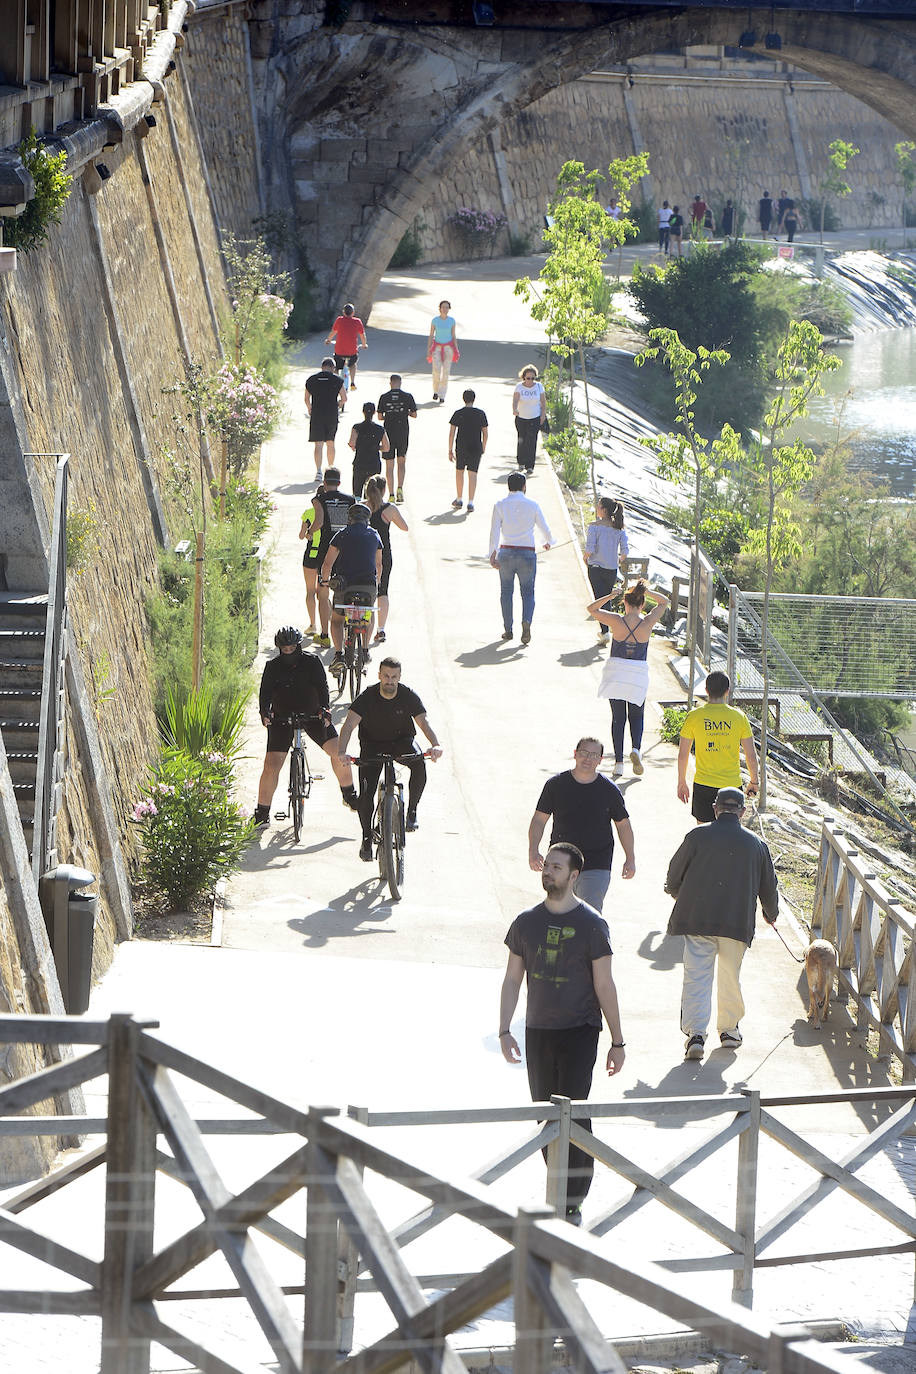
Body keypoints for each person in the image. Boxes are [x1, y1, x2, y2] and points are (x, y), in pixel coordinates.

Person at [499, 842, 626, 1224]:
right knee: (545, 1114)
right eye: (546, 865)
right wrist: (504, 1029)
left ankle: (571, 1198)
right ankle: (559, 1186)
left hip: (580, 1030)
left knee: (572, 1111)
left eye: (557, 867)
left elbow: (604, 984)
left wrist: (618, 1041)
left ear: (574, 876)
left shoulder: (592, 925)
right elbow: (511, 979)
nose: (548, 871)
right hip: (538, 1028)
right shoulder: (525, 922)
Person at [665, 787, 779, 1060]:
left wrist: (677, 892)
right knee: (730, 975)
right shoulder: (756, 844)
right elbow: (769, 886)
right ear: (742, 811)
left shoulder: (696, 836)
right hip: (735, 921)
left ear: (715, 808)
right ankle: (729, 1030)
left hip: (698, 919)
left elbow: (673, 875)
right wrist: (770, 913)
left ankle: (696, 1035)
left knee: (697, 976)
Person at [337, 657, 443, 860]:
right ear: (379, 676)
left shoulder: (407, 695)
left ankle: (411, 811)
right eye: (386, 676)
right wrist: (342, 751)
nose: (390, 680)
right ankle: (367, 837)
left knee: (419, 764)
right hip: (372, 745)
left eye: (394, 677)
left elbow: (423, 721)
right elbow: (349, 724)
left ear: (399, 677)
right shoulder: (368, 696)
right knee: (366, 793)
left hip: (401, 742)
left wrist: (435, 744)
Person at [253, 625, 357, 826]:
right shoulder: (272, 666)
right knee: (271, 765)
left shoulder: (312, 662)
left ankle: (349, 794)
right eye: (285, 650)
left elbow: (322, 687)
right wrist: (265, 712)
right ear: (279, 649)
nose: (289, 653)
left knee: (338, 752)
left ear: (299, 646)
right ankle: (262, 813)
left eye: (292, 648)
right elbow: (264, 693)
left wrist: (325, 709)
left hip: (312, 714)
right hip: (282, 718)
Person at [528, 738, 635, 914]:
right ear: (575, 754)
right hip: (560, 862)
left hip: (597, 863)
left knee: (588, 915)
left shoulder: (609, 790)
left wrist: (630, 858)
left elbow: (623, 825)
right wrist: (533, 850)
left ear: (600, 760)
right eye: (584, 753)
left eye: (594, 755)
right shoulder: (556, 785)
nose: (588, 759)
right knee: (558, 912)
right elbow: (539, 819)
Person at [590, 577, 669, 778]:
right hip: (638, 674)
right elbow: (664, 602)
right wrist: (645, 591)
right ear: (642, 604)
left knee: (618, 719)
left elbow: (592, 609)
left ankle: (618, 763)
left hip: (616, 672)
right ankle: (636, 749)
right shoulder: (648, 622)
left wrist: (610, 595)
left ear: (625, 603)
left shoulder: (616, 621)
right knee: (637, 715)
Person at [678, 670, 759, 823]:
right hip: (732, 787)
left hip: (703, 784)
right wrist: (754, 781)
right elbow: (751, 755)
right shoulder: (739, 717)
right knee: (730, 835)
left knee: (704, 835)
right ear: (727, 691)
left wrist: (682, 782)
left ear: (706, 690)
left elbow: (683, 754)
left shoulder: (694, 716)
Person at [489, 471, 554, 645]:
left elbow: (494, 532)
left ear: (508, 486)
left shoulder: (500, 505)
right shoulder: (533, 505)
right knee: (528, 592)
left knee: (506, 592)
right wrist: (548, 541)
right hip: (527, 553)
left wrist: (492, 554)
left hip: (506, 552)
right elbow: (544, 527)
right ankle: (526, 621)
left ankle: (508, 629)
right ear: (524, 487)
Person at [320, 502, 383, 672]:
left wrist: (325, 582)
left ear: (350, 518)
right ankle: (365, 650)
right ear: (367, 520)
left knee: (337, 620)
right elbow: (379, 564)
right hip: (368, 585)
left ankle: (339, 655)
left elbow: (327, 564)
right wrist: (376, 584)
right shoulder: (375, 535)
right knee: (367, 614)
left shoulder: (342, 534)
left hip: (345, 586)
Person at [309, 467, 355, 648]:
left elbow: (319, 522)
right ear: (339, 483)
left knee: (323, 591)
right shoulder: (350, 500)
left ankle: (325, 634)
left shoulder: (319, 499)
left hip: (326, 550)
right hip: (345, 550)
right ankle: (346, 630)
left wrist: (309, 532)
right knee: (344, 589)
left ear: (324, 483)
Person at [365, 474, 408, 644]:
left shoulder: (362, 508)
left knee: (365, 591)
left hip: (363, 553)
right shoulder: (389, 510)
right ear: (384, 491)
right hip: (383, 555)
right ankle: (381, 630)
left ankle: (364, 625)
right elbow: (405, 527)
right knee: (382, 590)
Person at [583, 497, 628, 639]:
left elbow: (590, 549)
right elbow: (625, 552)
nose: (596, 508)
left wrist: (585, 558)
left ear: (604, 510)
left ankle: (605, 631)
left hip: (595, 566)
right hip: (611, 568)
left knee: (599, 598)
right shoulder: (619, 529)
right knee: (607, 597)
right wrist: (617, 559)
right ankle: (606, 630)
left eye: (598, 506)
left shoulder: (594, 527)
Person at [377, 374, 418, 503]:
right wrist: (405, 412)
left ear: (390, 383)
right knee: (401, 462)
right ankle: (400, 488)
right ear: (400, 383)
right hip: (403, 432)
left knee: (389, 465)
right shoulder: (407, 396)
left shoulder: (384, 397)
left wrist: (389, 415)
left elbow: (379, 416)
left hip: (388, 434)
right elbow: (414, 414)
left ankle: (391, 494)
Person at [305, 358, 347, 477]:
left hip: (317, 414)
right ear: (333, 368)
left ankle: (318, 471)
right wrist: (338, 405)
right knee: (330, 442)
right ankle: (330, 468)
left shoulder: (312, 380)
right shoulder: (337, 380)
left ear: (322, 367)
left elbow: (306, 398)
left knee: (318, 444)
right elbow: (344, 398)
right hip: (331, 414)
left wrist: (309, 408)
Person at [448, 389, 488, 511]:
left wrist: (450, 450)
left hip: (461, 445)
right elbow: (485, 433)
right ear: (474, 399)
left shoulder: (458, 413)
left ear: (463, 398)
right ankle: (471, 502)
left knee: (459, 471)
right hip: (476, 446)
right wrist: (483, 447)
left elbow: (452, 433)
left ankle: (459, 499)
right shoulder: (480, 413)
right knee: (473, 473)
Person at [298, 484, 324, 638]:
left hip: (311, 554)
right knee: (324, 593)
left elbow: (302, 535)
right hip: (325, 555)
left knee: (310, 591)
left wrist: (308, 533)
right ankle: (324, 626)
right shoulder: (329, 513)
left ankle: (313, 624)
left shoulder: (308, 513)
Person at [348, 401, 389, 498]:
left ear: (363, 412)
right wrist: (377, 447)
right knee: (372, 493)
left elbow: (351, 443)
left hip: (360, 462)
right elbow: (387, 447)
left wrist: (356, 446)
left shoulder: (356, 427)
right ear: (374, 412)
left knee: (357, 493)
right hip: (374, 463)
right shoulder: (380, 429)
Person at [512, 364, 548, 475]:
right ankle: (521, 462)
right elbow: (515, 400)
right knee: (522, 440)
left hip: (534, 418)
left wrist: (543, 415)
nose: (530, 380)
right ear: (523, 377)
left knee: (532, 442)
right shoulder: (519, 387)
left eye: (533, 378)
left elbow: (543, 402)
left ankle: (530, 465)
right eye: (528, 378)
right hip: (521, 418)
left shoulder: (539, 386)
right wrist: (514, 409)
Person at [325, 303, 367, 390]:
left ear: (343, 312)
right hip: (352, 352)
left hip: (339, 352)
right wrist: (364, 345)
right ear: (353, 312)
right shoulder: (357, 322)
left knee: (336, 367)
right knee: (353, 364)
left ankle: (335, 382)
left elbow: (333, 332)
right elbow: (362, 336)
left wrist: (328, 340)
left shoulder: (339, 320)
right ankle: (352, 382)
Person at [427, 300, 459, 403]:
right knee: (436, 371)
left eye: (447, 307)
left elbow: (453, 335)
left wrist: (456, 349)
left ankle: (442, 394)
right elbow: (431, 335)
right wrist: (429, 349)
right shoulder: (435, 320)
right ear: (440, 308)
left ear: (449, 309)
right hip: (437, 347)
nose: (445, 309)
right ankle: (436, 391)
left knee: (446, 372)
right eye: (443, 307)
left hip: (448, 348)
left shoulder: (452, 321)